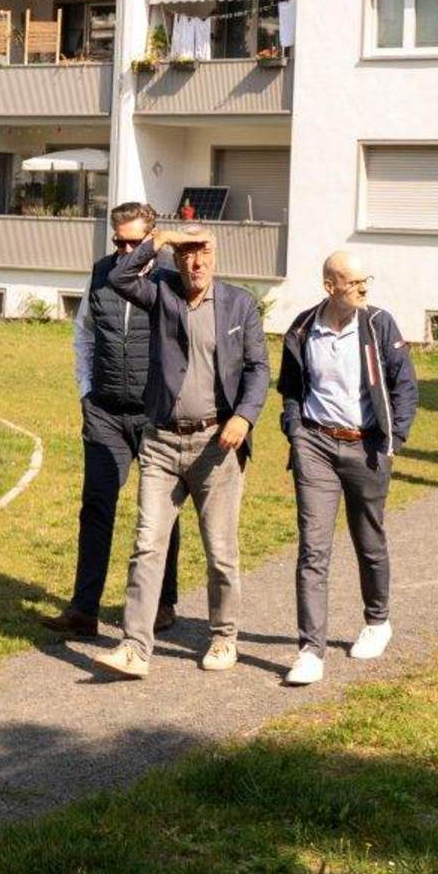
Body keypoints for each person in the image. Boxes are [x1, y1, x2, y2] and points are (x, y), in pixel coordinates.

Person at [98, 224, 269, 680]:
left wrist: (244, 416)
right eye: (187, 254)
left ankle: (224, 636)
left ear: (216, 255)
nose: (196, 263)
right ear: (176, 258)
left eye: (203, 252)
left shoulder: (239, 304)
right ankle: (135, 648)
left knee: (220, 552)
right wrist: (162, 238)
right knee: (146, 544)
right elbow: (117, 278)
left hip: (216, 445)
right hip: (161, 442)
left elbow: (258, 368)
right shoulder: (160, 292)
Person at [40, 203, 181, 642]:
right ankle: (83, 610)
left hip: (154, 414)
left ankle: (163, 604)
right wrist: (86, 389)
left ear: (152, 238)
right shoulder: (101, 272)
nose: (123, 249)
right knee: (96, 507)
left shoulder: (171, 277)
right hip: (103, 411)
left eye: (132, 242)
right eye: (117, 241)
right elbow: (84, 332)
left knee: (159, 514)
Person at [277, 251, 419, 686]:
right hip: (316, 445)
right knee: (313, 549)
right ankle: (309, 651)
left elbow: (405, 384)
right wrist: (297, 434)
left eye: (366, 280)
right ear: (330, 286)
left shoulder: (378, 325)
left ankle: (377, 621)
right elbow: (290, 390)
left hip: (367, 447)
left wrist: (395, 438)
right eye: (354, 281)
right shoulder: (302, 329)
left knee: (368, 538)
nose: (363, 287)